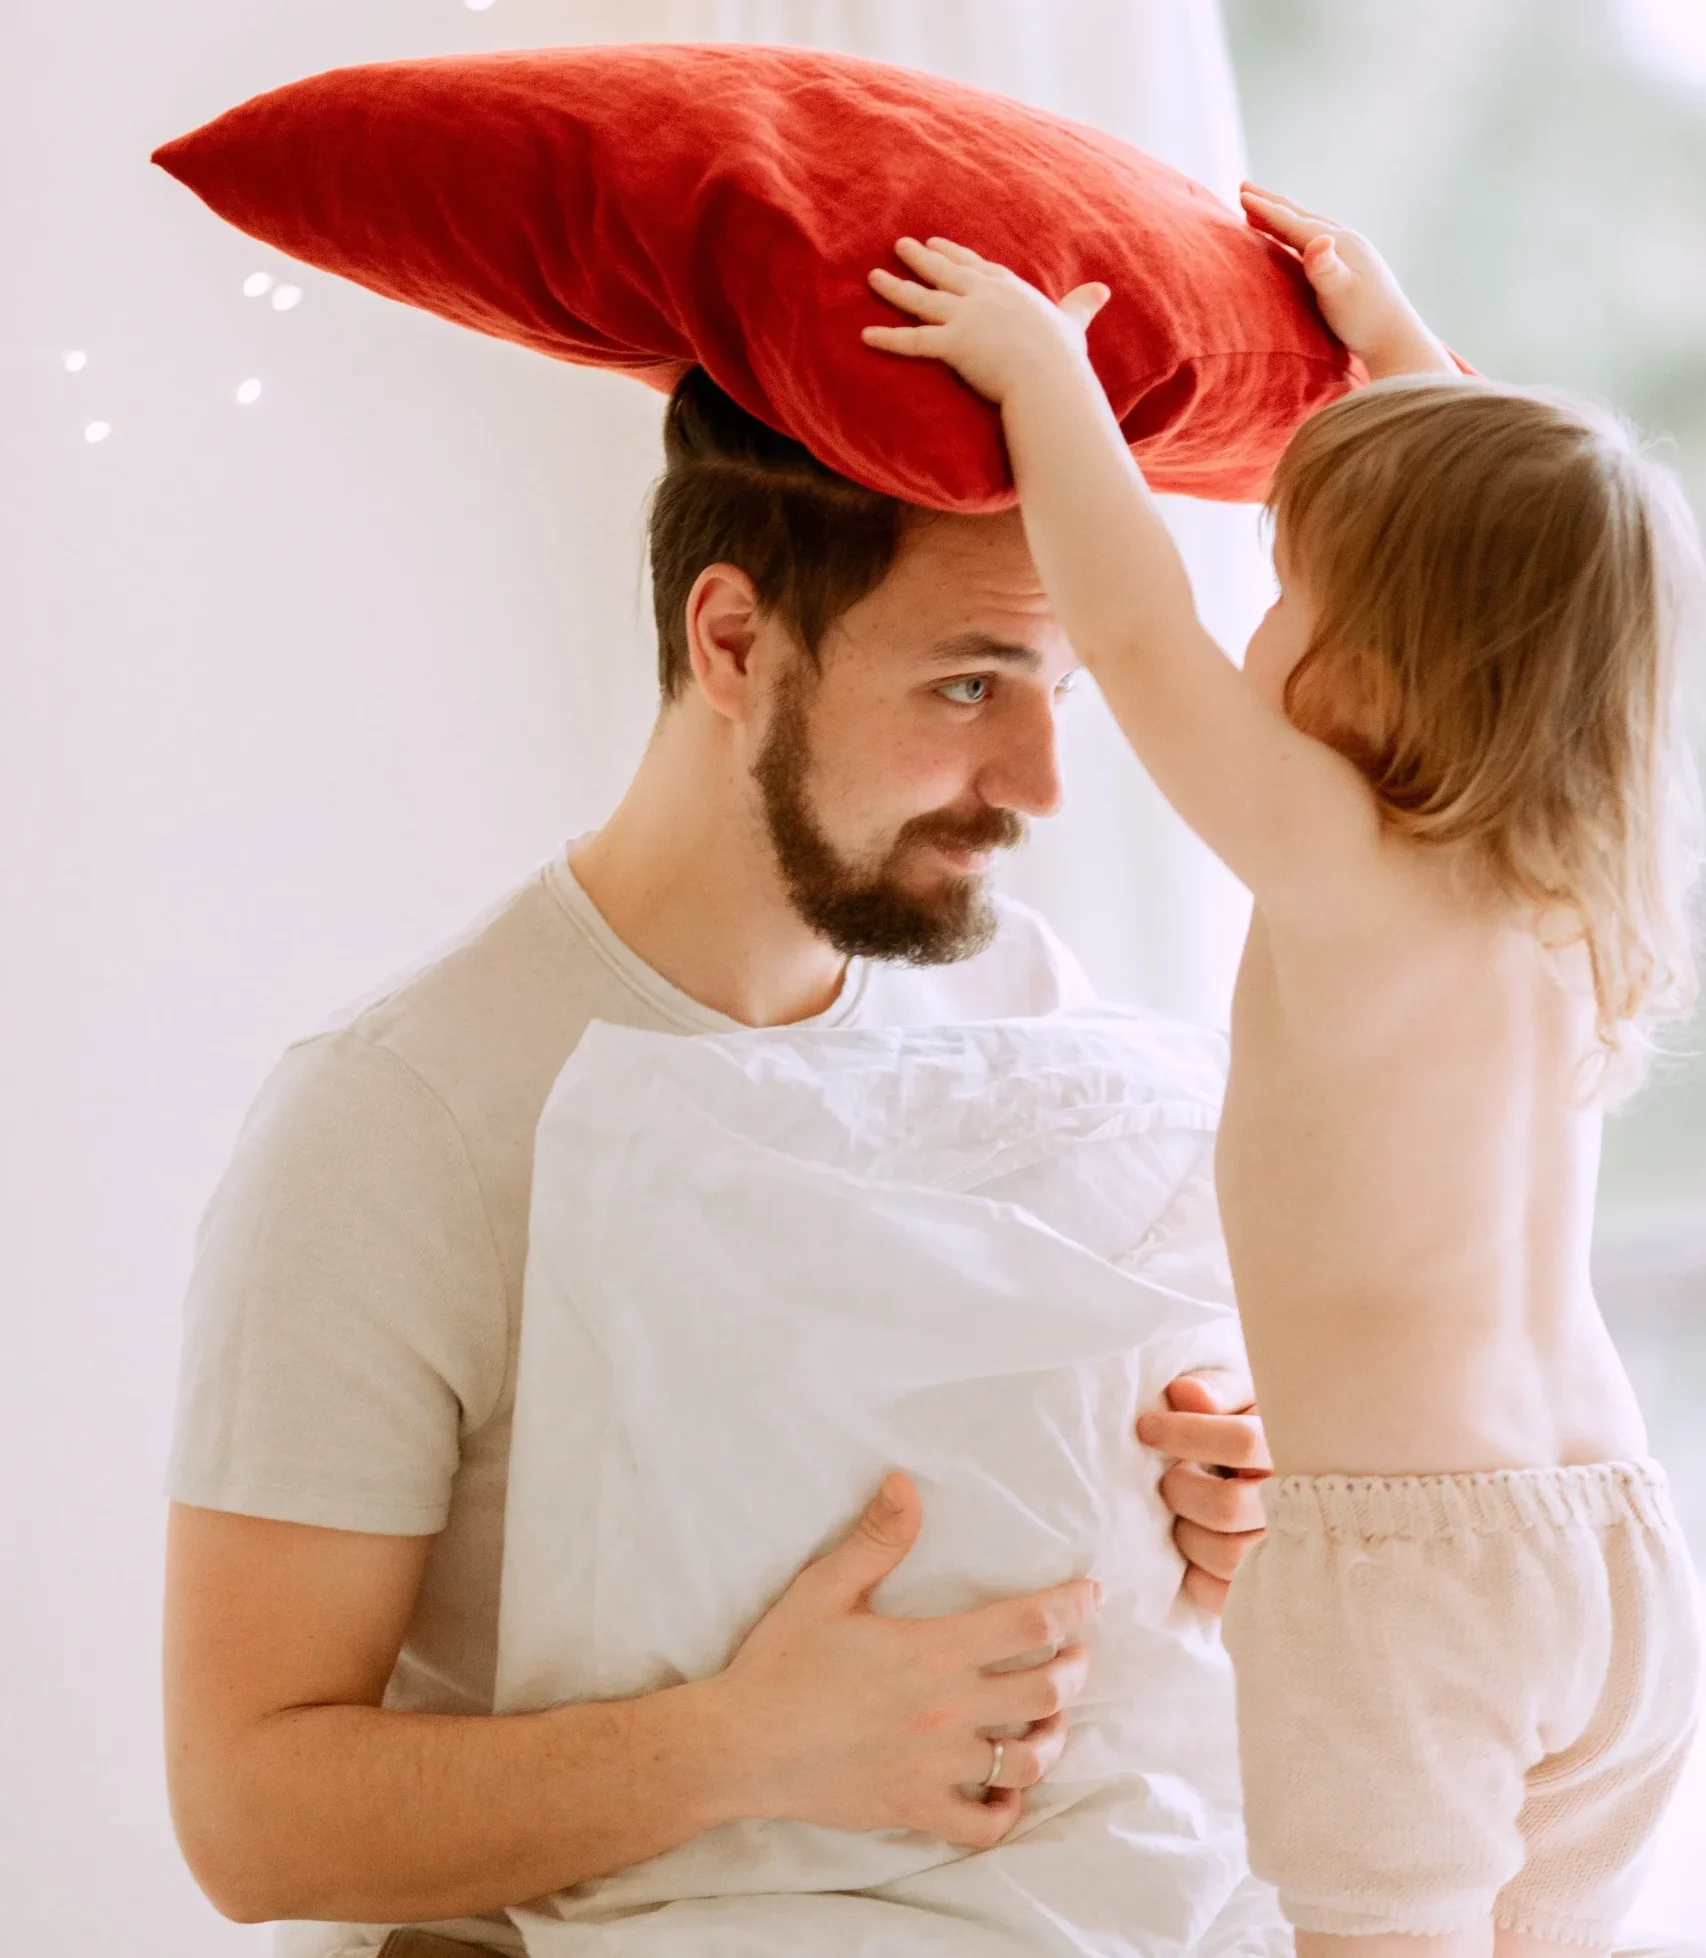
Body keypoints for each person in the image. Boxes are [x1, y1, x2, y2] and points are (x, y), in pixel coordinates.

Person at [161, 368, 1273, 1958]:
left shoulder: (1015, 1002)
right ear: (732, 640)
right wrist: (741, 1745)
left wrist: (1212, 1499)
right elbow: (246, 1815)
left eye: (1060, 689)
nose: (1036, 781)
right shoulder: (399, 1115)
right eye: (968, 687)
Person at [864, 185, 1704, 1956]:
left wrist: (1042, 380)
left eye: (1293, 597)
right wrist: (1390, 349)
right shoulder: (1569, 898)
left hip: (1407, 1569)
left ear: (1379, 673)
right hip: (1620, 1550)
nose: (1259, 633)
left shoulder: (1345, 863)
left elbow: (1146, 629)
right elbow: (1528, 563)